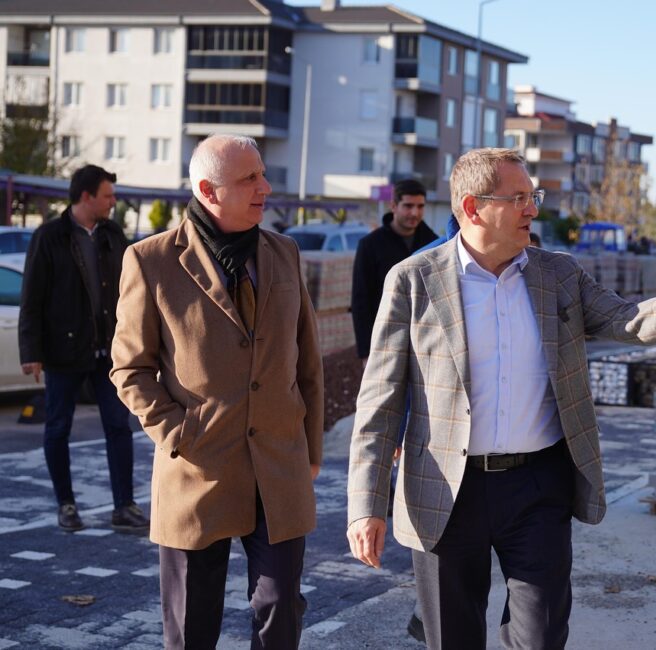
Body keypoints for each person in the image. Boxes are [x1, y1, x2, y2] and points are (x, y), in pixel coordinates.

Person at [346, 147, 656, 649]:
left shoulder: (558, 275)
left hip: (537, 486)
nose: (533, 208)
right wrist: (366, 504)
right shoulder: (413, 281)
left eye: (534, 195)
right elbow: (378, 402)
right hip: (445, 488)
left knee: (542, 637)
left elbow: (627, 320)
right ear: (472, 208)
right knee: (451, 637)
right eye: (519, 198)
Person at [110, 134, 323, 649]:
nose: (265, 187)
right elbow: (128, 368)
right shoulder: (150, 260)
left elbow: (308, 359)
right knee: (191, 621)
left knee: (280, 608)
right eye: (249, 179)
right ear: (208, 189)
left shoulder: (285, 252)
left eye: (262, 174)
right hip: (197, 467)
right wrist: (178, 433)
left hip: (278, 462)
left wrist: (310, 450)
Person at [17, 164, 148, 533]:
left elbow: (132, 287)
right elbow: (32, 298)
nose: (113, 202)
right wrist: (32, 351)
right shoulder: (49, 237)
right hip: (62, 351)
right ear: (86, 196)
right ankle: (67, 505)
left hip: (108, 352)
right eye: (107, 195)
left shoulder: (111, 234)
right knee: (58, 428)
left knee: (118, 426)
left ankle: (124, 506)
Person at [350, 179, 438, 363]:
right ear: (393, 206)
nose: (414, 212)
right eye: (408, 206)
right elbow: (361, 300)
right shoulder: (370, 245)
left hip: (425, 343)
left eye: (420, 206)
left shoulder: (435, 245)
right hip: (384, 340)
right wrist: (366, 352)